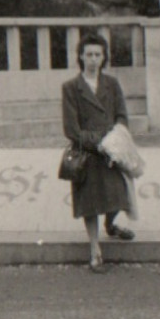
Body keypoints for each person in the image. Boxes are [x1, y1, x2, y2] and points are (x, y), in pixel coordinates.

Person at [61, 32, 135, 273]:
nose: (93, 59)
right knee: (90, 202)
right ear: (81, 57)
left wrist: (116, 137)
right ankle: (95, 250)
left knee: (118, 196)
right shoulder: (71, 87)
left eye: (98, 54)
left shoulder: (112, 84)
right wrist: (98, 143)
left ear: (104, 58)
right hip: (89, 154)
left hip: (112, 151)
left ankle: (111, 225)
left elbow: (122, 115)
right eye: (88, 54)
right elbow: (72, 129)